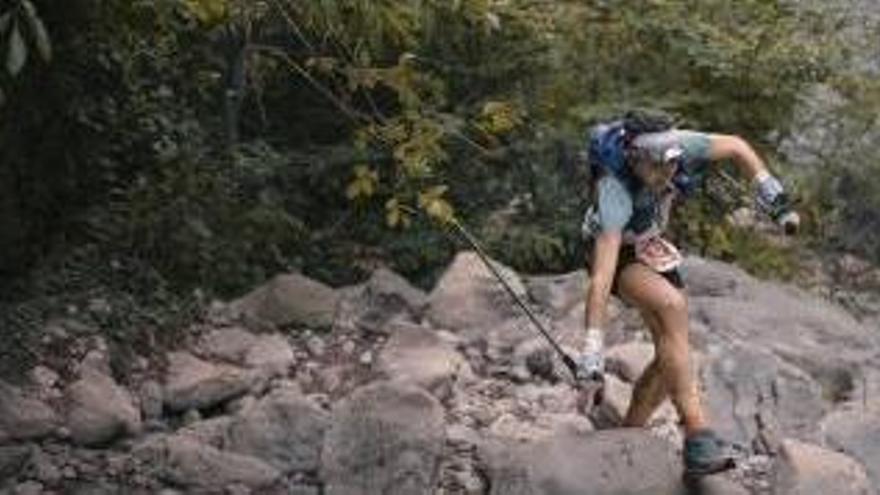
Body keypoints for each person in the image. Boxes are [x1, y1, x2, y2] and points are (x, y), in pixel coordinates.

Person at [577, 115, 800, 476]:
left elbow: (738, 146)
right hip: (615, 253)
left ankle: (628, 437)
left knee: (674, 354)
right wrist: (592, 353)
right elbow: (601, 279)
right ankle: (697, 436)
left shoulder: (676, 145)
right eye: (657, 164)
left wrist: (773, 197)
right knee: (672, 306)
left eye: (672, 161)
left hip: (648, 243)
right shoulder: (614, 193)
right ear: (634, 158)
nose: (668, 170)